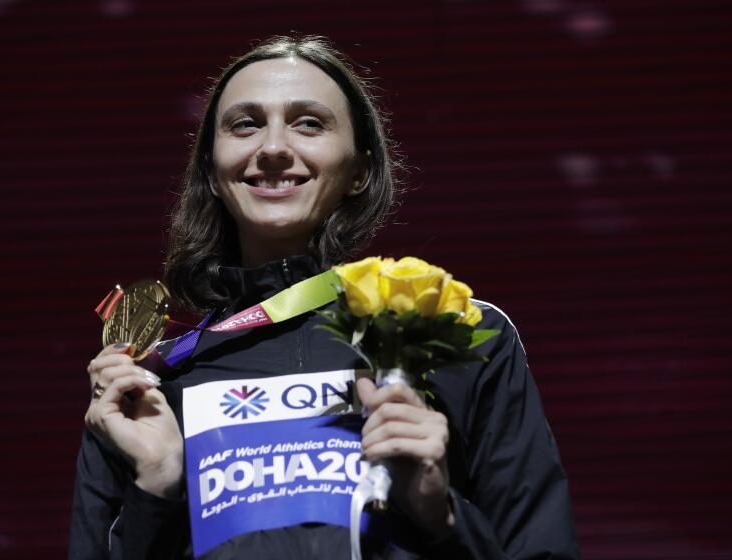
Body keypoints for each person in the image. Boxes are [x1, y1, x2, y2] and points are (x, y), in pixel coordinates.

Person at [69, 35, 580, 559]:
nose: (272, 148)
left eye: (309, 123)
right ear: (212, 172)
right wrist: (156, 487)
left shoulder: (454, 332)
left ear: (360, 169)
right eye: (245, 124)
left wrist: (439, 515)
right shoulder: (145, 388)